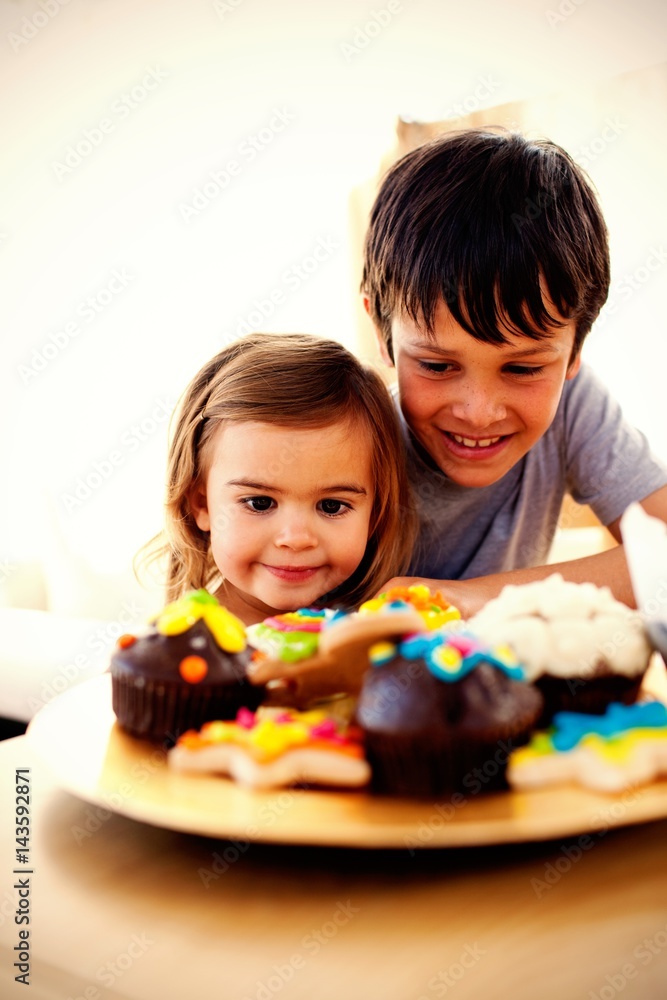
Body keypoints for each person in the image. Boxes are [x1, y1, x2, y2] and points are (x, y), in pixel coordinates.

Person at [361, 127, 667, 618]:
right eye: (437, 365)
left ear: (574, 353)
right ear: (382, 332)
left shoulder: (573, 405)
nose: (479, 413)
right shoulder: (343, 428)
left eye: (523, 368)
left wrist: (467, 599)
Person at [141, 332, 415, 625]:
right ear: (202, 505)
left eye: (332, 506)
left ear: (374, 514)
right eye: (260, 503)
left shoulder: (383, 633)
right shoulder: (173, 653)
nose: (296, 539)